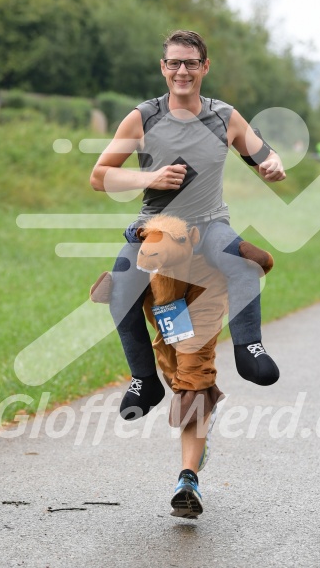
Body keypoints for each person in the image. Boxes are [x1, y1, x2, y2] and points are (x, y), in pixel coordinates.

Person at [90, 30, 286, 518]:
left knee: (195, 373)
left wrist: (271, 161)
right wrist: (148, 178)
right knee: (119, 293)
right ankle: (143, 379)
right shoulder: (143, 116)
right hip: (154, 240)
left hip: (208, 240)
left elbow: (257, 150)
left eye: (191, 63)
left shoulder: (223, 115)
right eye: (174, 63)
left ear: (205, 67)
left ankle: (190, 475)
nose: (183, 71)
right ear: (163, 67)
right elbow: (100, 175)